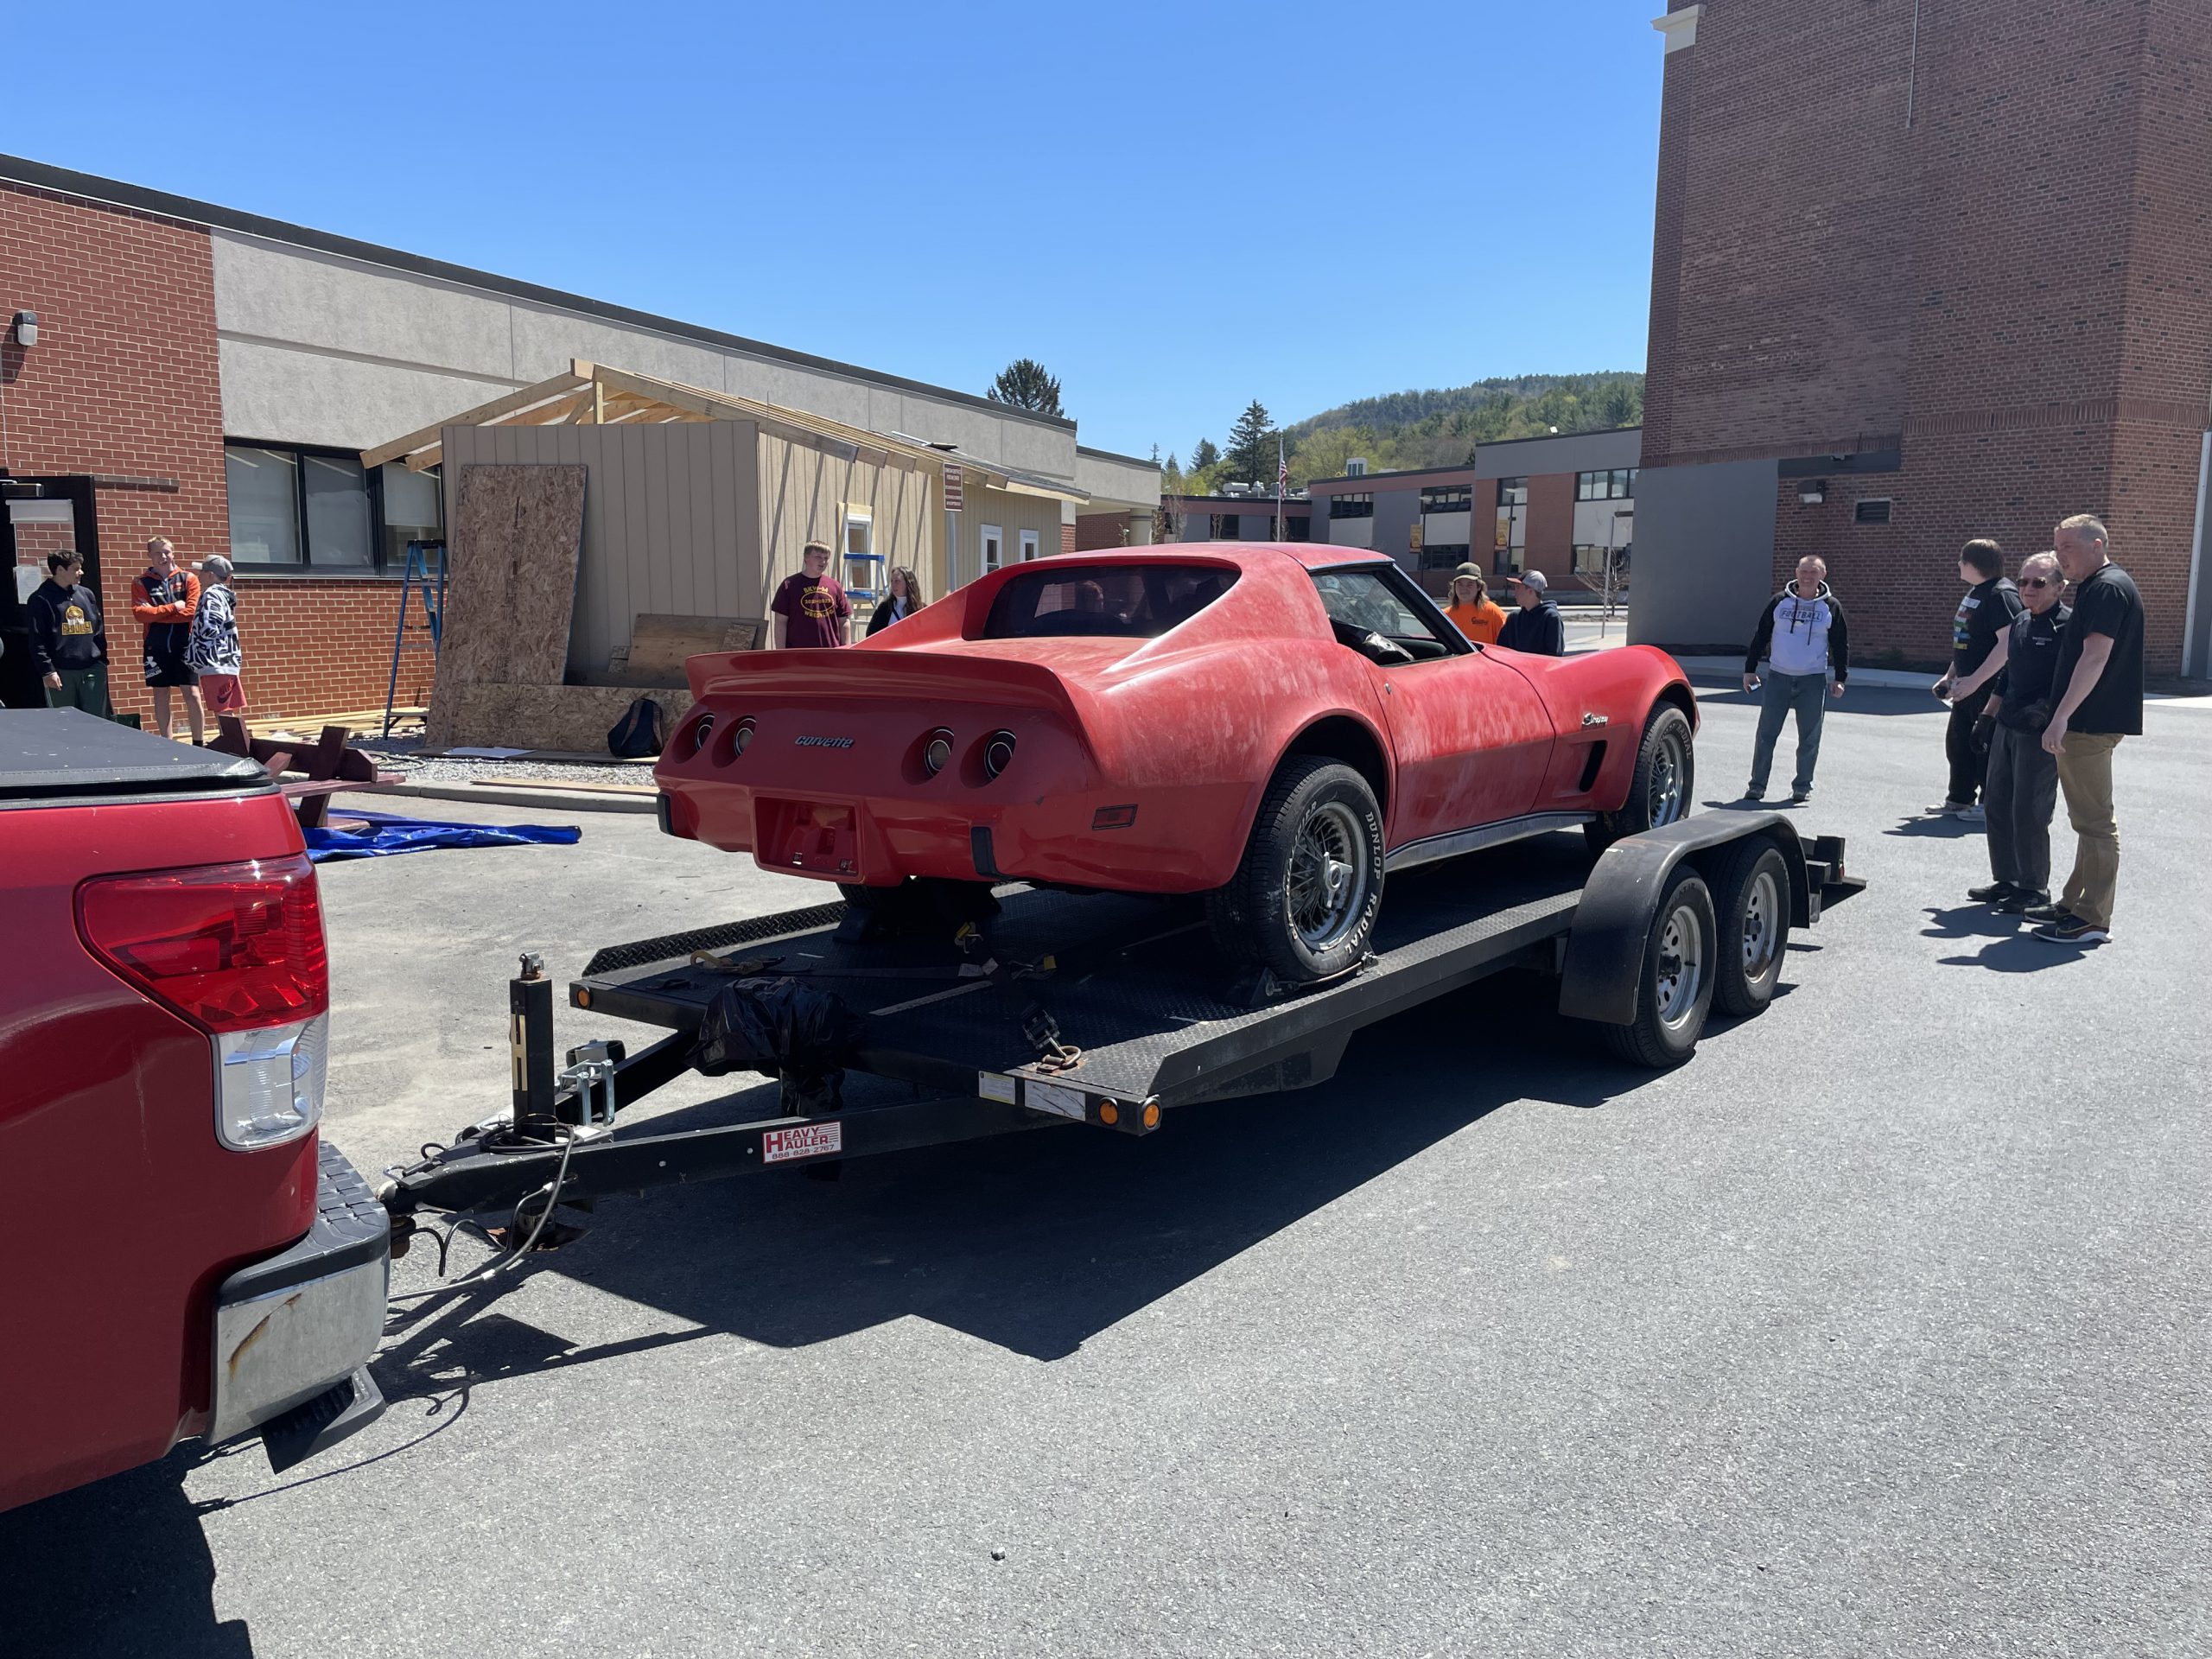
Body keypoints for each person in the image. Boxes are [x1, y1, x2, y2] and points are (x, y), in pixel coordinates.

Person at [2025, 513, 2143, 945]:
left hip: (2090, 723)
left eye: (2067, 548)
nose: (2060, 557)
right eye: (2056, 548)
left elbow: (2095, 656)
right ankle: (2073, 904)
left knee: (2095, 823)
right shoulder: (2098, 586)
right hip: (2087, 721)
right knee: (2085, 820)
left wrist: (2061, 717)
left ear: (2096, 545)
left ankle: (2092, 919)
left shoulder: (2108, 588)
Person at [1947, 551, 2068, 912]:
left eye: (2039, 583)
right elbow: (2007, 674)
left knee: (2030, 810)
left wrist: (2052, 716)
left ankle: (2034, 888)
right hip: (2007, 724)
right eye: (2024, 582)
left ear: (2059, 588)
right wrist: (1986, 717)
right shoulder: (2021, 621)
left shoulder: (2067, 627)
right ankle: (2007, 880)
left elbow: (2073, 680)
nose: (2029, 588)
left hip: (2039, 732)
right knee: (1997, 805)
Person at [1741, 555, 1849, 804]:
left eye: (1813, 572)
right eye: (1803, 571)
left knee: (1810, 737)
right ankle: (1757, 786)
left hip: (1812, 680)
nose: (1807, 577)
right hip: (1779, 676)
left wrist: (1840, 677)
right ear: (1796, 573)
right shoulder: (1780, 602)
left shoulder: (1831, 607)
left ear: (1823, 575)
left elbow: (1840, 645)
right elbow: (1761, 635)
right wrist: (1750, 669)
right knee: (1766, 735)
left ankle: (1802, 786)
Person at [1929, 538, 2023, 822]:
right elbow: (1966, 643)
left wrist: (1977, 681)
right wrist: (1950, 677)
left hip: (1990, 687)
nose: (1958, 564)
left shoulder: (2000, 595)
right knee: (1958, 743)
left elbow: (2007, 644)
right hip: (1966, 684)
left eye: (1962, 560)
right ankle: (1959, 798)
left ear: (1975, 564)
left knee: (1985, 744)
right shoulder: (1976, 593)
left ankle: (1989, 803)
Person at [131, 537, 203, 742]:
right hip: (156, 647)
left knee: (192, 693)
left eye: (166, 552)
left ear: (173, 553)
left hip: (185, 646)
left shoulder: (188, 578)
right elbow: (140, 615)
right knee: (160, 695)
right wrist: (173, 607)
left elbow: (191, 611)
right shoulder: (140, 582)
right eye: (157, 553)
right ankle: (167, 741)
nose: (163, 557)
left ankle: (199, 742)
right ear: (149, 555)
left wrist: (156, 613)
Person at [26, 550, 111, 717]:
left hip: (92, 670)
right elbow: (37, 639)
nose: (81, 572)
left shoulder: (86, 594)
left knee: (97, 722)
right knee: (64, 722)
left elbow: (98, 630)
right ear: (59, 570)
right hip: (61, 673)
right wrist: (47, 671)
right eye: (76, 568)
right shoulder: (40, 599)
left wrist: (101, 662)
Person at [187, 555, 246, 718]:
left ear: (210, 575)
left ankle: (230, 742)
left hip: (215, 662)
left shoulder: (211, 595)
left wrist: (199, 649)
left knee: (222, 710)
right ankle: (232, 740)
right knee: (225, 709)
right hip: (226, 660)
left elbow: (210, 625)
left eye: (202, 572)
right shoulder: (224, 594)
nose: (198, 576)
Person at [771, 541, 851, 648]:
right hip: (798, 655)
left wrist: (846, 649)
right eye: (818, 557)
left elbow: (844, 621)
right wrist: (781, 653)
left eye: (826, 558)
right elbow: (780, 622)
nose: (823, 561)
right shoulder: (789, 585)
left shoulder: (835, 586)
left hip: (831, 654)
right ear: (806, 557)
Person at [1496, 570, 1563, 656]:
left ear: (1531, 591)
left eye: (1518, 587)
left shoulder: (1551, 618)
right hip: (1515, 668)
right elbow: (1501, 650)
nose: (1514, 593)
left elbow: (1554, 656)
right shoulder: (1513, 618)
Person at [1442, 563, 1506, 645]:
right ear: (1454, 587)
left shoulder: (1493, 612)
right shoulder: (1445, 616)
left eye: (1470, 584)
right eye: (1460, 584)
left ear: (1479, 586)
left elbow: (1508, 643)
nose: (1464, 589)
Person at [865, 565, 922, 637]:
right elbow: (870, 635)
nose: (893, 585)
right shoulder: (884, 608)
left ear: (908, 583)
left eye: (897, 581)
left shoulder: (921, 609)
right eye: (892, 581)